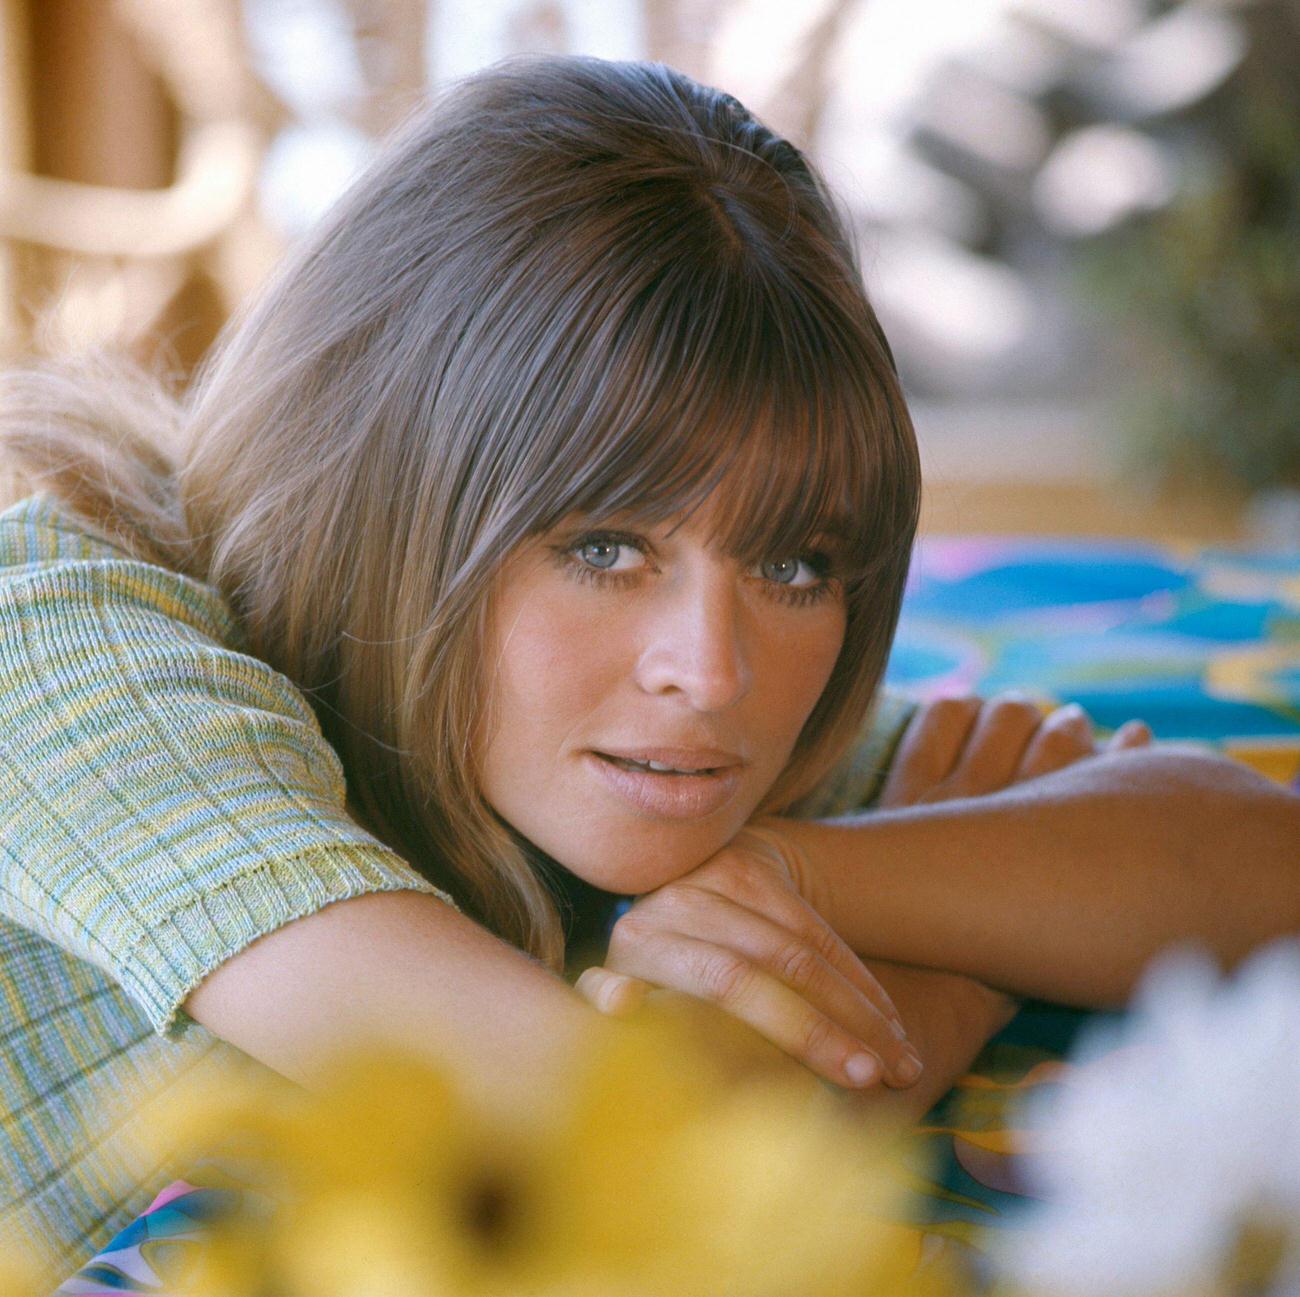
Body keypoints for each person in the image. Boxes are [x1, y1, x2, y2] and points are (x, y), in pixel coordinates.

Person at [1, 54, 1296, 1281]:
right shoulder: (59, 645)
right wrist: (948, 980)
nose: (713, 669)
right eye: (607, 546)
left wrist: (807, 873)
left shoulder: (661, 747)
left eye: (795, 562)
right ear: (386, 496)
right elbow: (638, 1179)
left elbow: (1252, 862)